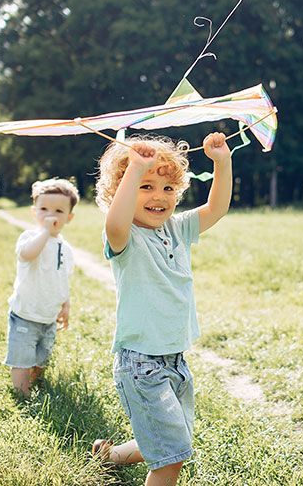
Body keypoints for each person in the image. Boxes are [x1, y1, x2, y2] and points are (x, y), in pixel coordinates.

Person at [91, 132, 232, 485]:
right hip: (141, 365)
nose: (159, 197)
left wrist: (222, 162)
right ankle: (123, 459)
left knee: (169, 440)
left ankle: (107, 456)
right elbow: (114, 222)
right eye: (146, 186)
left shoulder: (178, 229)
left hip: (175, 360)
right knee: (171, 458)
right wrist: (135, 168)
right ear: (120, 191)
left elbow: (217, 208)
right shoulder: (126, 237)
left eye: (168, 189)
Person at [4, 178, 79, 397]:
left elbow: (63, 279)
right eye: (44, 209)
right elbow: (27, 254)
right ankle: (22, 396)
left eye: (58, 210)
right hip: (25, 313)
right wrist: (45, 232)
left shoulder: (67, 249)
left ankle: (37, 385)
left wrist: (66, 305)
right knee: (22, 359)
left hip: (48, 316)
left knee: (41, 357)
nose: (50, 215)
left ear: (69, 217)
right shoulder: (30, 237)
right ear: (33, 211)